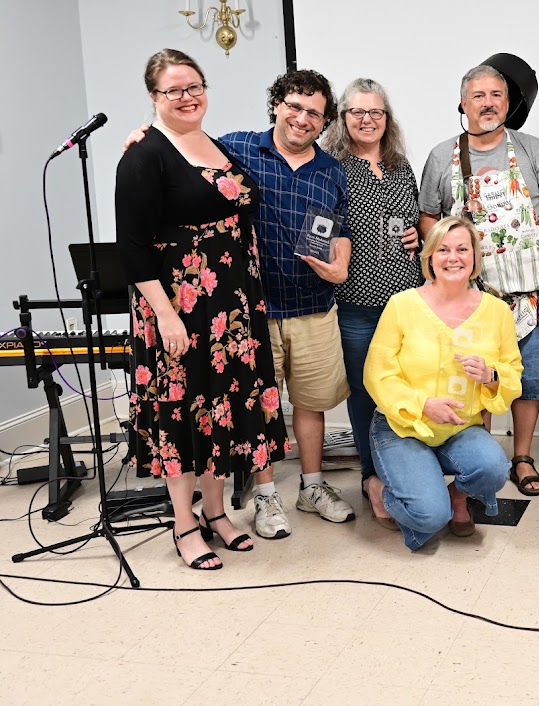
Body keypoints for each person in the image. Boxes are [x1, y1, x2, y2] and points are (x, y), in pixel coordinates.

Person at [128, 68, 357, 538]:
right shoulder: (236, 149)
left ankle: (312, 486)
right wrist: (145, 136)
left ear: (325, 121)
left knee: (311, 403)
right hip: (251, 310)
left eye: (314, 113)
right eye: (294, 107)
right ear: (277, 105)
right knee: (259, 406)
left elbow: (341, 233)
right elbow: (183, 151)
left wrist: (339, 269)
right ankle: (266, 495)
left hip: (313, 305)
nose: (302, 119)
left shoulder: (333, 170)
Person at [115, 49, 288, 570]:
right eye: (174, 90)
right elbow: (132, 248)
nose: (187, 97)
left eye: (195, 86)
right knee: (184, 415)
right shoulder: (144, 155)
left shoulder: (216, 144)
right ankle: (184, 524)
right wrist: (166, 315)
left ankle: (216, 513)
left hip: (231, 307)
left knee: (221, 409)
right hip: (179, 310)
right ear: (154, 97)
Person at [420, 63, 539, 497]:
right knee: (475, 379)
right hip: (471, 298)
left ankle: (522, 457)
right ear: (463, 104)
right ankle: (479, 460)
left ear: (508, 103)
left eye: (496, 95)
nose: (488, 104)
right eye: (479, 96)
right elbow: (428, 217)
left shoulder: (530, 149)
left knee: (529, 380)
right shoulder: (442, 156)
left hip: (532, 294)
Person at [364, 216, 523, 550]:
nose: (453, 258)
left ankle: (456, 496)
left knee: (494, 469)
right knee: (429, 517)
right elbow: (377, 373)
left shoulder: (497, 312)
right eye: (443, 250)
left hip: (461, 428)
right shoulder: (402, 305)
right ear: (430, 257)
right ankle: (378, 490)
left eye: (462, 249)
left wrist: (491, 376)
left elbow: (512, 371)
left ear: (475, 256)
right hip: (403, 427)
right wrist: (423, 404)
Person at [321, 78, 421, 530]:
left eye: (375, 112)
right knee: (365, 390)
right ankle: (371, 476)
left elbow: (417, 220)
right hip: (356, 303)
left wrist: (417, 236)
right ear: (343, 119)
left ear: (387, 118)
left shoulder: (401, 166)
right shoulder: (331, 167)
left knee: (405, 385)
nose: (367, 120)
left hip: (406, 301)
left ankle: (407, 468)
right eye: (357, 112)